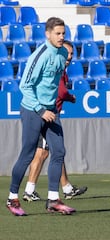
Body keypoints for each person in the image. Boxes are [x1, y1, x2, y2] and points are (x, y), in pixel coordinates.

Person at [6, 17, 76, 216]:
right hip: (32, 110)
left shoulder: (63, 53)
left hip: (50, 110)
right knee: (28, 153)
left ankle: (53, 199)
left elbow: (53, 83)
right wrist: (40, 109)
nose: (62, 37)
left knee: (59, 151)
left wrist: (52, 106)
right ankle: (12, 198)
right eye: (58, 33)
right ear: (48, 34)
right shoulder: (40, 55)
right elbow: (24, 86)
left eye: (63, 33)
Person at [22, 40, 88, 202]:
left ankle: (67, 188)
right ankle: (29, 190)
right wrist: (70, 97)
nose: (70, 57)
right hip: (45, 116)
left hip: (52, 115)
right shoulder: (55, 67)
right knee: (43, 152)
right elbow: (61, 91)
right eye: (68, 53)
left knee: (57, 152)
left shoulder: (62, 70)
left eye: (72, 54)